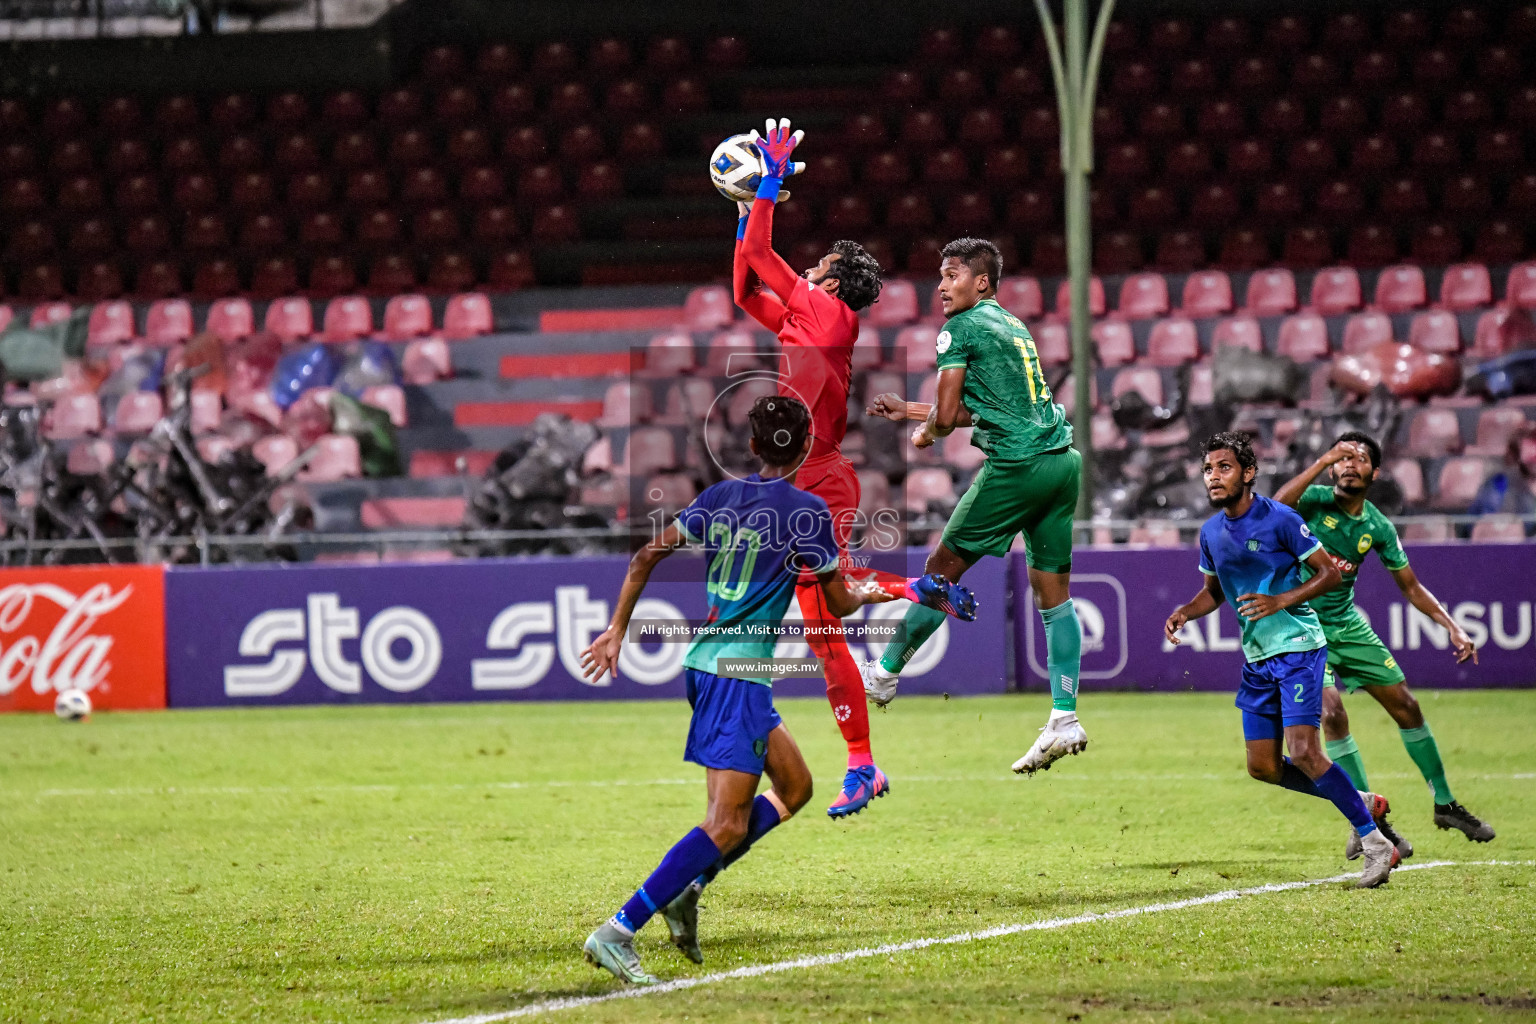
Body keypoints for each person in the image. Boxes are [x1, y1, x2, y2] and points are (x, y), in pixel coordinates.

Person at [579, 396, 974, 983]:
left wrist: (617, 629)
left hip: (716, 669)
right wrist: (905, 589)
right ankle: (619, 929)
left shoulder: (719, 496)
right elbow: (839, 601)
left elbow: (645, 554)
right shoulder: (808, 512)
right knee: (726, 824)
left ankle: (690, 887)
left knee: (795, 786)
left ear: (755, 446)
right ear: (807, 447)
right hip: (733, 677)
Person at [732, 118, 973, 816]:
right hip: (793, 481)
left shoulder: (831, 316)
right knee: (822, 626)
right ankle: (864, 765)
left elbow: (765, 255)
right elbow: (747, 286)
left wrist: (766, 190)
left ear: (832, 279)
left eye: (817, 266)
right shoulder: (805, 322)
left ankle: (915, 589)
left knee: (826, 609)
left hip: (819, 476)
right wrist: (744, 212)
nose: (806, 269)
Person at [864, 236, 1087, 774]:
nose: (942, 285)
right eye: (941, 276)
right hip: (1062, 464)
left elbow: (946, 416)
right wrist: (913, 413)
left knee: (939, 571)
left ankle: (887, 671)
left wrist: (923, 432)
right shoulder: (1010, 324)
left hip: (1016, 469)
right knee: (1053, 597)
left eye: (953, 274)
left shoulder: (958, 329)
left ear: (981, 280)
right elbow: (979, 410)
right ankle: (1064, 716)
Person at [1165, 432, 1400, 888]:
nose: (1214, 477)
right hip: (1257, 658)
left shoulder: (1281, 519)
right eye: (1209, 469)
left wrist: (1281, 601)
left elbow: (1329, 573)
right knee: (1263, 767)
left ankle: (1376, 845)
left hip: (1298, 647)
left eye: (1225, 467)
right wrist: (1184, 612)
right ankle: (1359, 800)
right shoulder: (1211, 532)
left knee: (1304, 751)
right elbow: (1214, 592)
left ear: (1248, 473)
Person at [1274, 431, 1495, 853]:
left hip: (1345, 624)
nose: (1349, 464)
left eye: (1359, 459)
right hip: (1299, 625)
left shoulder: (1376, 526)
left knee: (1407, 707)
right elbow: (1276, 506)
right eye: (1344, 458)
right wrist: (1323, 460)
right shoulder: (1314, 499)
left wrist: (1452, 625)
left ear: (1374, 473)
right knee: (1332, 713)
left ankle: (1445, 804)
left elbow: (1411, 587)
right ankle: (1367, 817)